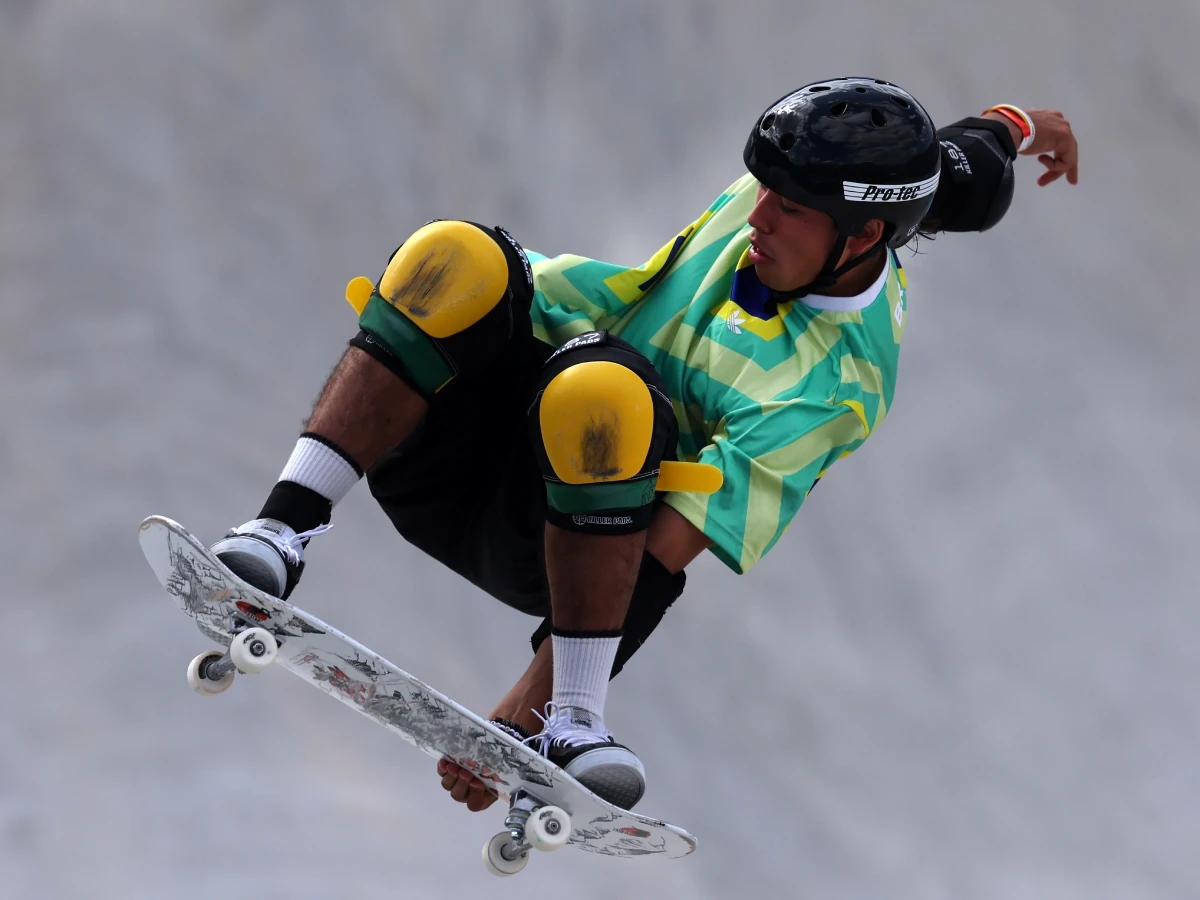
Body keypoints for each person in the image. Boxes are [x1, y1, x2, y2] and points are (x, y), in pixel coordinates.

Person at [207, 78, 1078, 813]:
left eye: (789, 210)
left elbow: (671, 549)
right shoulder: (856, 195)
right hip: (441, 451)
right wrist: (1029, 125)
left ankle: (577, 717)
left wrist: (518, 720)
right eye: (760, 191)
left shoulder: (831, 391)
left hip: (565, 543)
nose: (758, 219)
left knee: (605, 387)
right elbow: (970, 165)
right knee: (452, 255)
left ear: (863, 238)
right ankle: (278, 534)